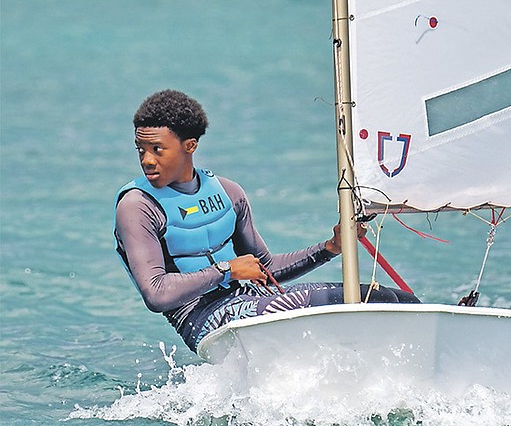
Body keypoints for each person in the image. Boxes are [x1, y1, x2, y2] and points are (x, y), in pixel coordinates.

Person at [114, 90, 419, 353]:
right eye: (140, 149)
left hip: (255, 300)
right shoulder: (138, 206)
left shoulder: (228, 192)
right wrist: (228, 270)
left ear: (189, 146)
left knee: (384, 298)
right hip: (204, 319)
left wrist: (330, 247)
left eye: (157, 149)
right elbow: (156, 294)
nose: (147, 160)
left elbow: (267, 269)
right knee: (297, 305)